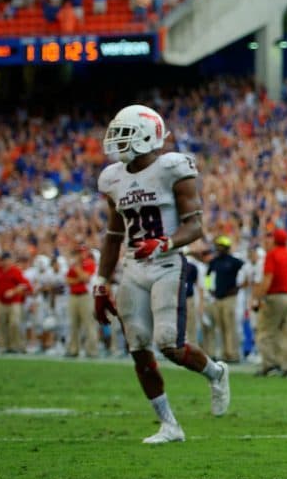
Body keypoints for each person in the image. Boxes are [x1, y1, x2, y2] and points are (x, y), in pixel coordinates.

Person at [93, 104, 230, 444]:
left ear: (146, 135)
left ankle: (215, 371)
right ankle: (169, 425)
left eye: (124, 134)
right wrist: (100, 281)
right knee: (138, 347)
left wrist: (164, 243)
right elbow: (113, 234)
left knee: (168, 342)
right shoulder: (113, 178)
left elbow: (195, 226)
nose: (117, 142)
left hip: (168, 262)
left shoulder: (173, 167)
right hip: (134, 267)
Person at [252, 228, 287, 377]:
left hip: (276, 296)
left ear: (274, 240)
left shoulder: (272, 255)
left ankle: (270, 365)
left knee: (266, 332)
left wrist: (258, 298)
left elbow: (268, 278)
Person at [205, 236, 245, 363]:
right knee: (220, 327)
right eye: (218, 246)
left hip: (229, 298)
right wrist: (209, 288)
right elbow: (207, 275)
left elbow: (245, 272)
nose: (218, 248)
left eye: (221, 246)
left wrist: (239, 286)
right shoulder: (214, 261)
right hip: (217, 298)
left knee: (230, 326)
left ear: (227, 248)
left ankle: (233, 354)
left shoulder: (235, 261)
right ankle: (224, 353)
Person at [65, 245, 98, 358]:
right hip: (73, 296)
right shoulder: (74, 265)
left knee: (89, 324)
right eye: (78, 253)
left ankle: (92, 350)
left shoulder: (89, 263)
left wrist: (78, 270)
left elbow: (86, 278)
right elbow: (67, 280)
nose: (79, 255)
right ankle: (74, 349)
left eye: (81, 252)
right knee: (73, 324)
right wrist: (78, 278)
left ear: (86, 253)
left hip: (86, 296)